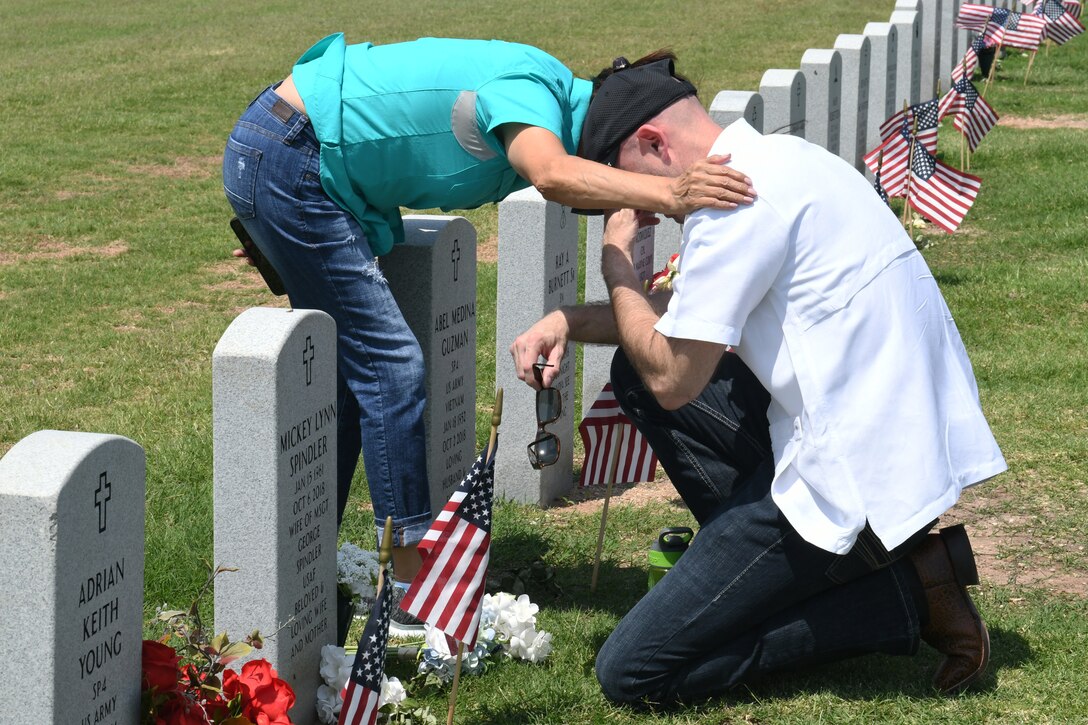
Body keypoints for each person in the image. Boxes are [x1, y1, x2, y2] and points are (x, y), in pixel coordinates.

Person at [510, 53, 1007, 705]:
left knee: (632, 670)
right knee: (632, 364)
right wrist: (568, 319)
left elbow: (674, 378)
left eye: (627, 185)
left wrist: (618, 262)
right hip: (886, 441)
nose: (644, 207)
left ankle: (905, 596)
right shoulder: (781, 161)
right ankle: (791, 578)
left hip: (847, 477)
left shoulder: (735, 205)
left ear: (653, 142)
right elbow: (688, 321)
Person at [221, 35, 755, 634]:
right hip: (296, 156)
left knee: (354, 385)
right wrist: (669, 192)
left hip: (301, 163)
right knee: (391, 369)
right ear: (638, 142)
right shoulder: (531, 89)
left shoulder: (545, 94)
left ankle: (309, 568)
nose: (651, 207)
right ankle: (411, 591)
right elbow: (552, 174)